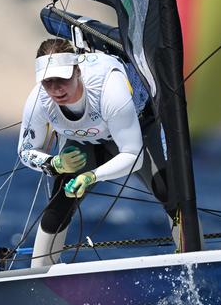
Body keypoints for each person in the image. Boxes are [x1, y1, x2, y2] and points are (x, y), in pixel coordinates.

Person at [18, 38, 175, 267]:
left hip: (139, 129)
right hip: (85, 141)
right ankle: (39, 275)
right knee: (60, 202)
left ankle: (195, 258)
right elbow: (25, 151)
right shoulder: (39, 101)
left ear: (77, 71)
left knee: (170, 192)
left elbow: (133, 155)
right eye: (47, 82)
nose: (55, 89)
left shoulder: (109, 88)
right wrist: (55, 163)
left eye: (62, 79)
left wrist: (92, 176)